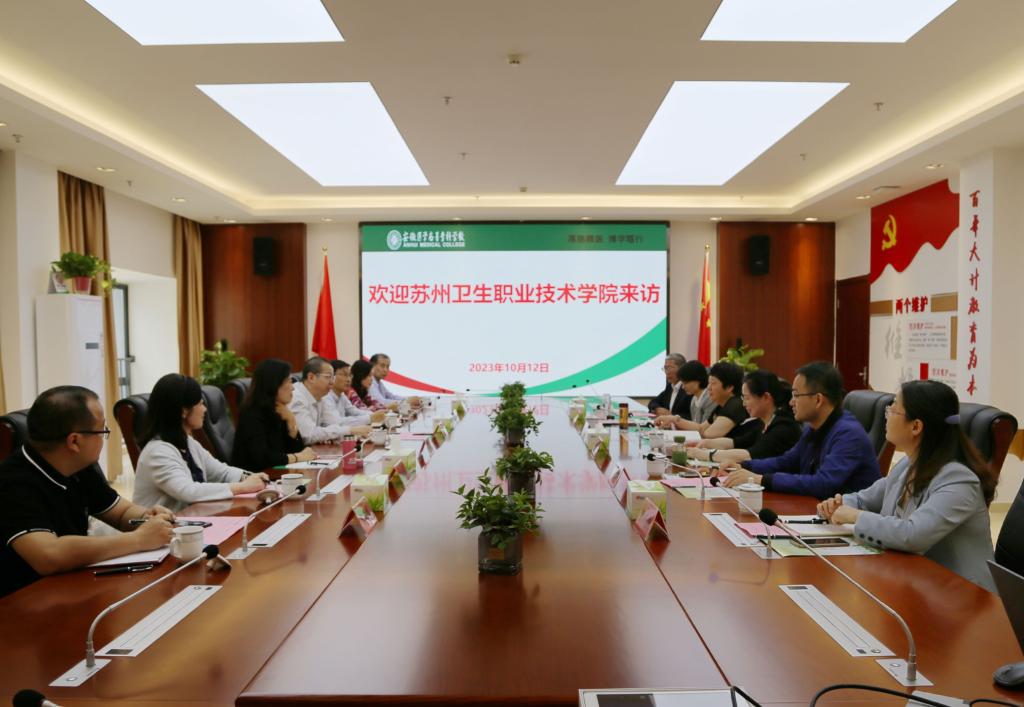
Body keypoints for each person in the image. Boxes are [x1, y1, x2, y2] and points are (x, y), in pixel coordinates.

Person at [817, 380, 997, 592]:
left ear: (916, 426)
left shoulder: (958, 480)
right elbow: (864, 499)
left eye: (893, 409)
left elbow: (913, 535)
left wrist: (855, 516)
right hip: (918, 581)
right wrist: (837, 504)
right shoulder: (908, 464)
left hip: (964, 595)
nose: (887, 415)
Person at [0, 386, 175, 596]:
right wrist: (139, 539)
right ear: (74, 441)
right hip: (25, 600)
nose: (104, 438)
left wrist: (148, 517)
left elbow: (120, 512)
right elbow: (48, 555)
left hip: (73, 585)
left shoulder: (79, 466)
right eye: (102, 431)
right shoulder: (13, 482)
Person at [718, 361, 880, 498]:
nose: (791, 402)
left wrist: (759, 479)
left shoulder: (848, 434)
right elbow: (787, 461)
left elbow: (823, 484)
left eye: (796, 395)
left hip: (846, 520)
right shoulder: (814, 427)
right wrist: (744, 466)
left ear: (818, 400)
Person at [134, 374, 267, 512]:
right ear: (184, 411)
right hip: (162, 524)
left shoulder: (188, 443)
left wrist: (250, 477)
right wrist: (242, 487)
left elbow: (221, 472)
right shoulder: (157, 452)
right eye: (200, 403)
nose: (204, 409)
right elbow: (188, 491)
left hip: (190, 519)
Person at [687, 370, 801, 463]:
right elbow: (736, 442)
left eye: (747, 398)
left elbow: (749, 455)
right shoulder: (762, 422)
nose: (744, 404)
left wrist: (705, 454)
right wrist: (706, 443)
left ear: (766, 397)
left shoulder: (783, 426)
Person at [233, 359, 317, 471]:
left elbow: (298, 449)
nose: (293, 387)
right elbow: (263, 458)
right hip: (254, 477)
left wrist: (292, 423)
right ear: (273, 384)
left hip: (275, 474)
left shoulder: (280, 410)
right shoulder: (252, 414)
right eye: (289, 381)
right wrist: (298, 457)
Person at [656, 361, 747, 439]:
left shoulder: (735, 405)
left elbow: (708, 434)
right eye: (709, 383)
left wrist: (676, 421)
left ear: (729, 387)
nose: (709, 387)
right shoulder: (721, 406)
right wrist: (673, 419)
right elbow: (701, 428)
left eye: (713, 383)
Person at [290, 356, 371, 442]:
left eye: (333, 378)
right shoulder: (296, 398)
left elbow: (334, 422)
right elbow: (308, 435)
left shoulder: (322, 397)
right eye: (328, 377)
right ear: (311, 377)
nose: (332, 382)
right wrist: (350, 430)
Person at [327, 359, 372, 425]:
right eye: (344, 375)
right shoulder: (326, 396)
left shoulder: (342, 395)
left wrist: (373, 415)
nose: (348, 380)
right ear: (332, 377)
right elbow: (338, 422)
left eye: (350, 375)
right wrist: (370, 418)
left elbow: (354, 411)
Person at [647, 354, 691, 418]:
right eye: (665, 368)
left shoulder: (689, 389)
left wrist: (671, 416)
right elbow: (653, 402)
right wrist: (657, 409)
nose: (667, 372)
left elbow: (692, 416)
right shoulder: (670, 386)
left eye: (669, 368)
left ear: (682, 368)